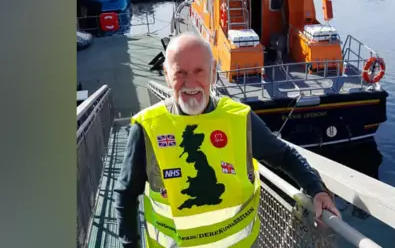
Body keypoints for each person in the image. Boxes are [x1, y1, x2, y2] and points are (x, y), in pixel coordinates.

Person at [114, 33, 340, 248]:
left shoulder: (239, 119)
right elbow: (126, 195)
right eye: (180, 73)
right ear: (166, 74)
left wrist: (316, 190)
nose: (190, 82)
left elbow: (284, 155)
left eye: (199, 71)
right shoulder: (148, 127)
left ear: (213, 72)